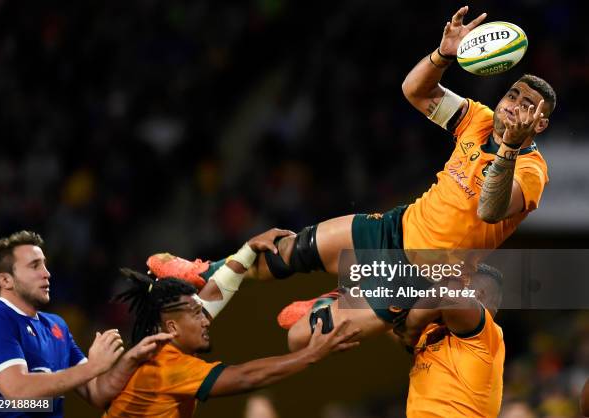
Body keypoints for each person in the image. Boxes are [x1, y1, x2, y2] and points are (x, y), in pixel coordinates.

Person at [147, 5, 557, 352]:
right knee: (292, 249)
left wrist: (508, 149)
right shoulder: (479, 119)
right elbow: (415, 91)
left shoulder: (532, 171)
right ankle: (204, 271)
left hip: (423, 274)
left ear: (539, 124)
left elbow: (489, 210)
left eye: (529, 106)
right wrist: (443, 54)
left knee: (299, 338)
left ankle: (331, 303)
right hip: (397, 227)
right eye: (514, 95)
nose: (516, 106)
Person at [105, 228, 359, 418]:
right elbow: (246, 377)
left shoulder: (167, 344)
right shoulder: (166, 366)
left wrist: (248, 249)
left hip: (383, 267)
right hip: (386, 263)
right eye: (197, 314)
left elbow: (214, 295)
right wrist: (312, 353)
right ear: (172, 327)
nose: (205, 320)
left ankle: (204, 271)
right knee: (388, 270)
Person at [0, 231, 174, 417]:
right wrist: (92, 367)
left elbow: (97, 392)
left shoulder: (57, 326)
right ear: (5, 280)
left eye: (45, 265)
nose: (47, 273)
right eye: (34, 266)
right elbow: (17, 391)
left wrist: (131, 359)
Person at [392, 264, 505, 418]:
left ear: (478, 295)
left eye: (462, 286)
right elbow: (397, 330)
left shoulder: (486, 333)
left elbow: (448, 296)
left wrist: (411, 328)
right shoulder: (433, 331)